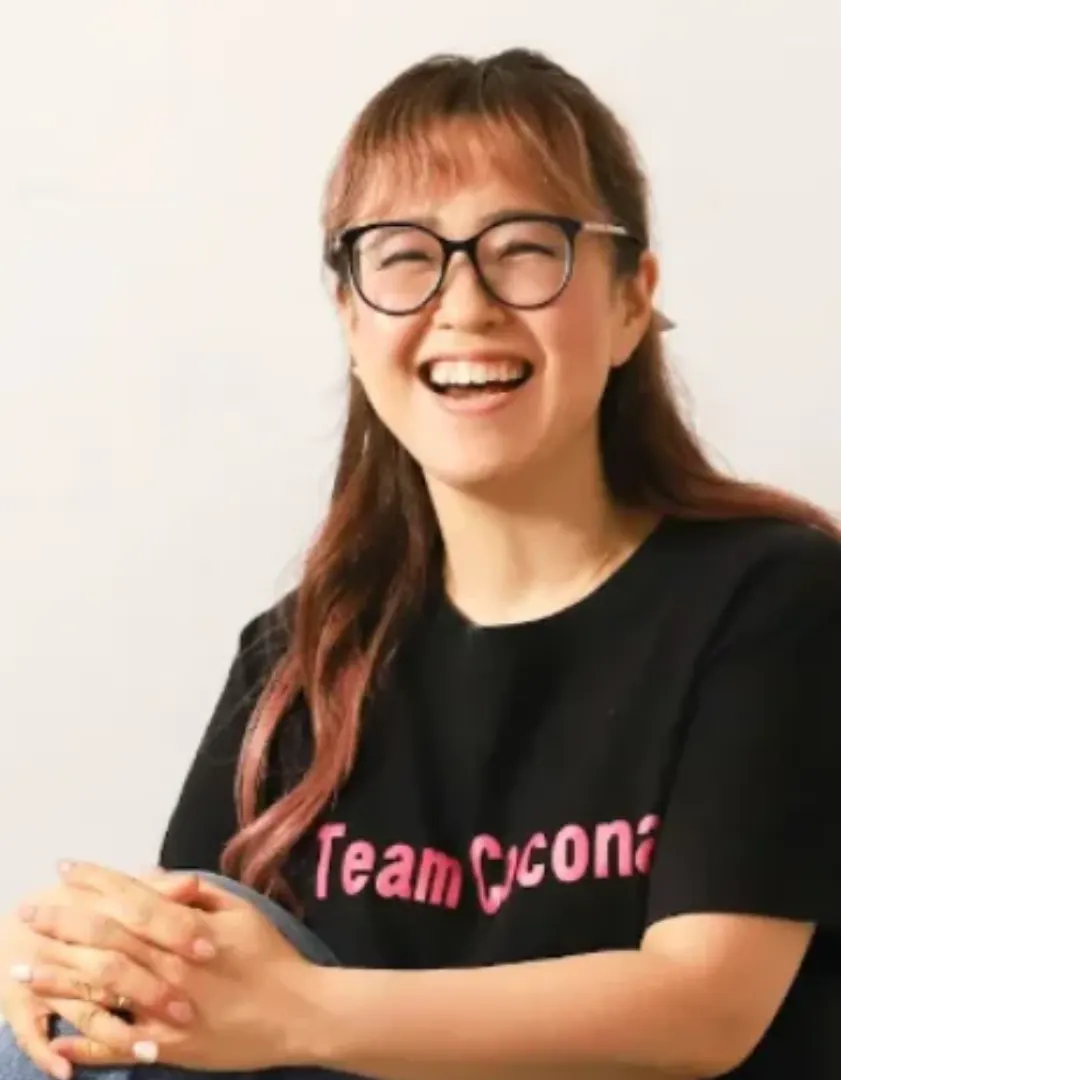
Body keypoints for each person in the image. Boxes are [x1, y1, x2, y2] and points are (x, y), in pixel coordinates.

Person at [0, 46, 848, 1080]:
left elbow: (702, 1008)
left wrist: (306, 1013)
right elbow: (188, 979)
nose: (465, 303)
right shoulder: (300, 655)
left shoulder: (775, 598)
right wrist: (71, 961)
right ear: (351, 321)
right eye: (403, 255)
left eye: (525, 248)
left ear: (633, 302)